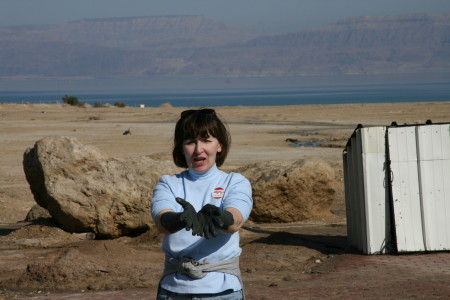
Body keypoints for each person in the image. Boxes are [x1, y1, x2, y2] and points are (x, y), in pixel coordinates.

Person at [151, 108, 253, 300]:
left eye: (206, 140)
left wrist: (218, 216)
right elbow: (161, 222)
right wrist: (182, 218)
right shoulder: (168, 184)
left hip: (224, 292)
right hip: (173, 291)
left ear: (219, 145)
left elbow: (235, 221)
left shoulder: (235, 182)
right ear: (182, 148)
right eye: (190, 142)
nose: (199, 149)